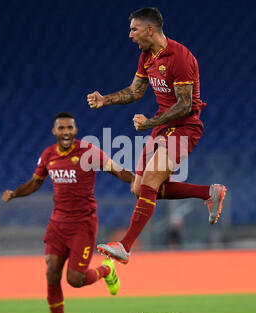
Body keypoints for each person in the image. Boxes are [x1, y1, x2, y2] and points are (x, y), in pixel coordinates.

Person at [87, 7, 227, 264]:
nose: (130, 35)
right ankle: (208, 192)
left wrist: (150, 122)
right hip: (162, 127)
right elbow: (136, 91)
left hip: (185, 127)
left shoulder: (180, 57)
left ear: (149, 29)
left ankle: (125, 246)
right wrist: (104, 100)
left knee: (150, 180)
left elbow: (184, 106)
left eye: (134, 29)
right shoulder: (147, 57)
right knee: (139, 188)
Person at [2, 112, 135, 313]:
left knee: (75, 280)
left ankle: (107, 270)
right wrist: (15, 193)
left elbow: (116, 169)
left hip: (82, 225)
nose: (66, 132)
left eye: (69, 128)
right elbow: (35, 183)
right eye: (61, 128)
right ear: (54, 131)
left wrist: (137, 180)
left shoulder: (88, 151)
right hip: (57, 223)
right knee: (52, 272)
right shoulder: (48, 155)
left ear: (76, 130)